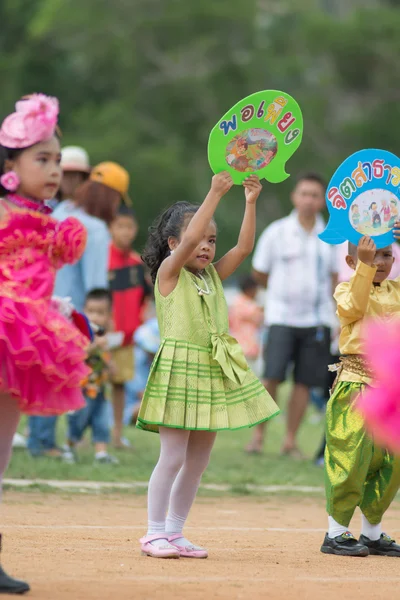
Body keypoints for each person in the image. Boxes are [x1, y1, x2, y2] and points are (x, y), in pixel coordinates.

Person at [137, 172, 279, 559]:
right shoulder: (169, 274)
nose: (206, 246)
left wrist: (250, 201)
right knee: (174, 456)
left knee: (197, 461)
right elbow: (188, 242)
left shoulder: (213, 276)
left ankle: (174, 532)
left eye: (212, 240)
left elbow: (245, 247)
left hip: (211, 372)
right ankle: (153, 533)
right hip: (179, 372)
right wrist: (214, 194)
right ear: (173, 244)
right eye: (199, 238)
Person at [0, 94, 91, 593]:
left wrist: (52, 308)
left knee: (1, 456)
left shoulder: (51, 223)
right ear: (10, 164)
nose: (54, 169)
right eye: (42, 159)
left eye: (57, 160)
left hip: (27, 341)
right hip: (5, 326)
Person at [247, 173, 337, 456]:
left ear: (322, 200)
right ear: (294, 197)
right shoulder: (277, 231)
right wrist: (277, 295)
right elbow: (259, 271)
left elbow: (336, 276)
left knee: (303, 382)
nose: (309, 200)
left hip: (317, 319)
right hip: (281, 316)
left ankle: (290, 439)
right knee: (271, 376)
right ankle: (258, 436)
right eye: (304, 193)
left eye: (314, 195)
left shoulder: (330, 235)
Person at [321, 235, 400, 557]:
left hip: (391, 388)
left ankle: (371, 532)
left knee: (391, 461)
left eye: (386, 254)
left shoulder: (396, 292)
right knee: (352, 457)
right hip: (357, 384)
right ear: (351, 263)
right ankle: (336, 531)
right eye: (370, 257)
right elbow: (352, 307)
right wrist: (364, 270)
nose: (380, 262)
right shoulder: (346, 289)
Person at [53, 160, 130, 312]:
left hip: (45, 307)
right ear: (111, 197)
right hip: (72, 315)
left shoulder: (61, 211)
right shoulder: (96, 229)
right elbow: (96, 289)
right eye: (118, 201)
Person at [108, 204, 150, 448]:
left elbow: (143, 298)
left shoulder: (135, 262)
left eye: (129, 227)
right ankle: (79, 436)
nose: (125, 232)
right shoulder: (102, 258)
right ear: (111, 228)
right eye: (120, 226)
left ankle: (115, 435)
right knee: (90, 386)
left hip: (126, 338)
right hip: (102, 337)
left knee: (119, 385)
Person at [67, 289, 118, 464]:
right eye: (91, 311)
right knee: (78, 421)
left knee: (102, 422)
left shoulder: (105, 338)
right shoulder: (82, 334)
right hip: (83, 389)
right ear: (84, 311)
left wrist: (111, 366)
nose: (95, 317)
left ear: (108, 316)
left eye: (100, 313)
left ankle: (101, 454)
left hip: (101, 390)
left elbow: (107, 361)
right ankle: (70, 446)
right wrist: (95, 346)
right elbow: (79, 354)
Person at [229, 274, 263, 374]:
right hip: (246, 348)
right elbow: (259, 317)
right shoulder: (247, 304)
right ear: (250, 289)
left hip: (238, 347)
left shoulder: (235, 302)